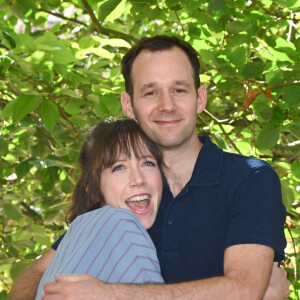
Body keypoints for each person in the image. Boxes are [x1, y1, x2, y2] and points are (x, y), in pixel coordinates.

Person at [8, 35, 290, 300]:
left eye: (179, 90)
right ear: (128, 105)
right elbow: (35, 273)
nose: (167, 105)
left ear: (200, 99)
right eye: (151, 92)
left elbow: (242, 289)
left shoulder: (249, 178)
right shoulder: (127, 196)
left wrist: (111, 294)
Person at [34, 119, 165, 299]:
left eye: (148, 163)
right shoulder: (121, 222)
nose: (138, 179)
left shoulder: (78, 232)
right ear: (94, 191)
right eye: (119, 167)